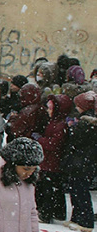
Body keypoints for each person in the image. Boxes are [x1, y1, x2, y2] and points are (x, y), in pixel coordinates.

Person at [61, 92, 97, 232]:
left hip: (81, 162)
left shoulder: (85, 124)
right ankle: (77, 217)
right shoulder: (87, 122)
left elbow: (76, 142)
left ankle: (85, 220)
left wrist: (72, 130)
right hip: (84, 162)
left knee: (80, 191)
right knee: (77, 190)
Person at [34, 94, 72, 223]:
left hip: (52, 161)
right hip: (51, 160)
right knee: (54, 188)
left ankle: (46, 213)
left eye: (50, 108)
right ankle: (58, 212)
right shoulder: (56, 122)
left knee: (48, 189)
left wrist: (40, 139)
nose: (48, 111)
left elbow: (55, 144)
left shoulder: (60, 125)